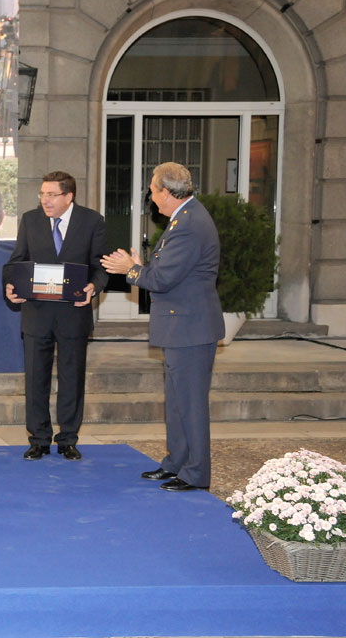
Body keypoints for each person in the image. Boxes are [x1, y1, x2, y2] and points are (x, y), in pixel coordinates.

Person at [101, 162, 224, 491]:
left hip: (190, 329)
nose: (151, 197)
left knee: (191, 404)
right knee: (177, 401)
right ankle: (177, 463)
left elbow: (163, 279)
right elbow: (168, 270)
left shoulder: (189, 224)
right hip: (183, 327)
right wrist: (140, 266)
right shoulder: (183, 218)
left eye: (153, 190)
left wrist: (131, 270)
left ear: (167, 193)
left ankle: (196, 473)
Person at [4, 171, 108, 462]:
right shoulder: (30, 220)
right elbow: (16, 262)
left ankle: (68, 439)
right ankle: (38, 439)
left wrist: (93, 287)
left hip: (73, 314)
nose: (44, 200)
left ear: (68, 197)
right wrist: (10, 287)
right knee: (36, 378)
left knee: (72, 377)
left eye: (51, 195)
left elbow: (99, 267)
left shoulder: (92, 221)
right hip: (37, 314)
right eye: (42, 194)